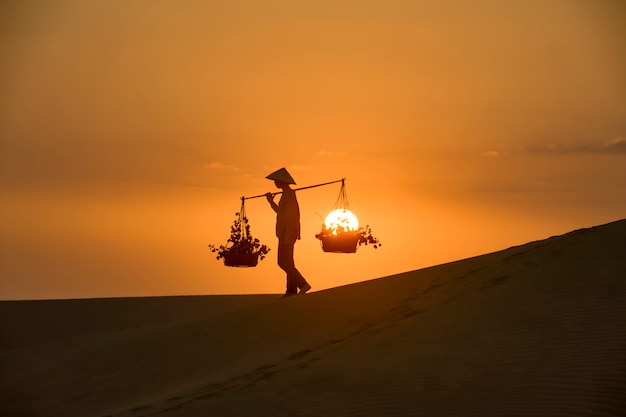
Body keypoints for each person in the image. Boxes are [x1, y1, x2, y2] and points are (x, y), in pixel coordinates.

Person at [265, 168, 311, 296]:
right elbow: (282, 212)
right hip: (285, 232)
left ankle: (302, 284)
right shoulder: (286, 194)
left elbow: (292, 216)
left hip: (287, 233)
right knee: (289, 263)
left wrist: (289, 234)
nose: (275, 183)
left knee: (283, 262)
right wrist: (271, 202)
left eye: (276, 181)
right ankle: (291, 291)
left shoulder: (289, 195)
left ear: (281, 182)